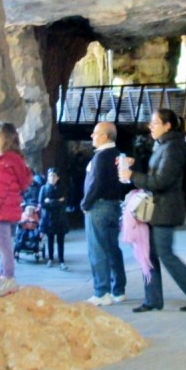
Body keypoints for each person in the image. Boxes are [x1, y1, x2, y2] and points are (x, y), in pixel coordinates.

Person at [119, 108, 186, 313]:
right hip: (158, 208)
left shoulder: (173, 148)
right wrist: (135, 166)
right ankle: (152, 300)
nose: (150, 126)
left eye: (155, 123)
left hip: (165, 209)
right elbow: (155, 174)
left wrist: (132, 175)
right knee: (149, 254)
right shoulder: (164, 145)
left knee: (165, 254)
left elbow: (161, 181)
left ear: (168, 125)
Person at [0, 121, 32, 298]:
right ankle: (3, 277)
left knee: (4, 248)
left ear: (3, 140)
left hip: (1, 211)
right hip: (11, 211)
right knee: (5, 246)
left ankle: (8, 278)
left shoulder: (4, 163)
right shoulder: (16, 160)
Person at [81, 123, 128, 305]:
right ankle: (119, 289)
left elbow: (96, 184)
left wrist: (85, 204)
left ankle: (102, 292)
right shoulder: (118, 155)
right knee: (112, 248)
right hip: (113, 205)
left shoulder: (101, 157)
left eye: (96, 133)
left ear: (106, 136)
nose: (92, 136)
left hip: (98, 207)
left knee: (97, 249)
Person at [39, 168, 68, 269]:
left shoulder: (62, 188)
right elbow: (42, 204)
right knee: (50, 239)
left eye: (54, 176)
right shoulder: (44, 188)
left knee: (61, 240)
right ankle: (50, 258)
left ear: (58, 177)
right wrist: (57, 201)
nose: (52, 178)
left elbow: (65, 202)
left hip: (60, 218)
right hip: (49, 218)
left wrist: (50, 201)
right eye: (50, 176)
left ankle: (61, 260)